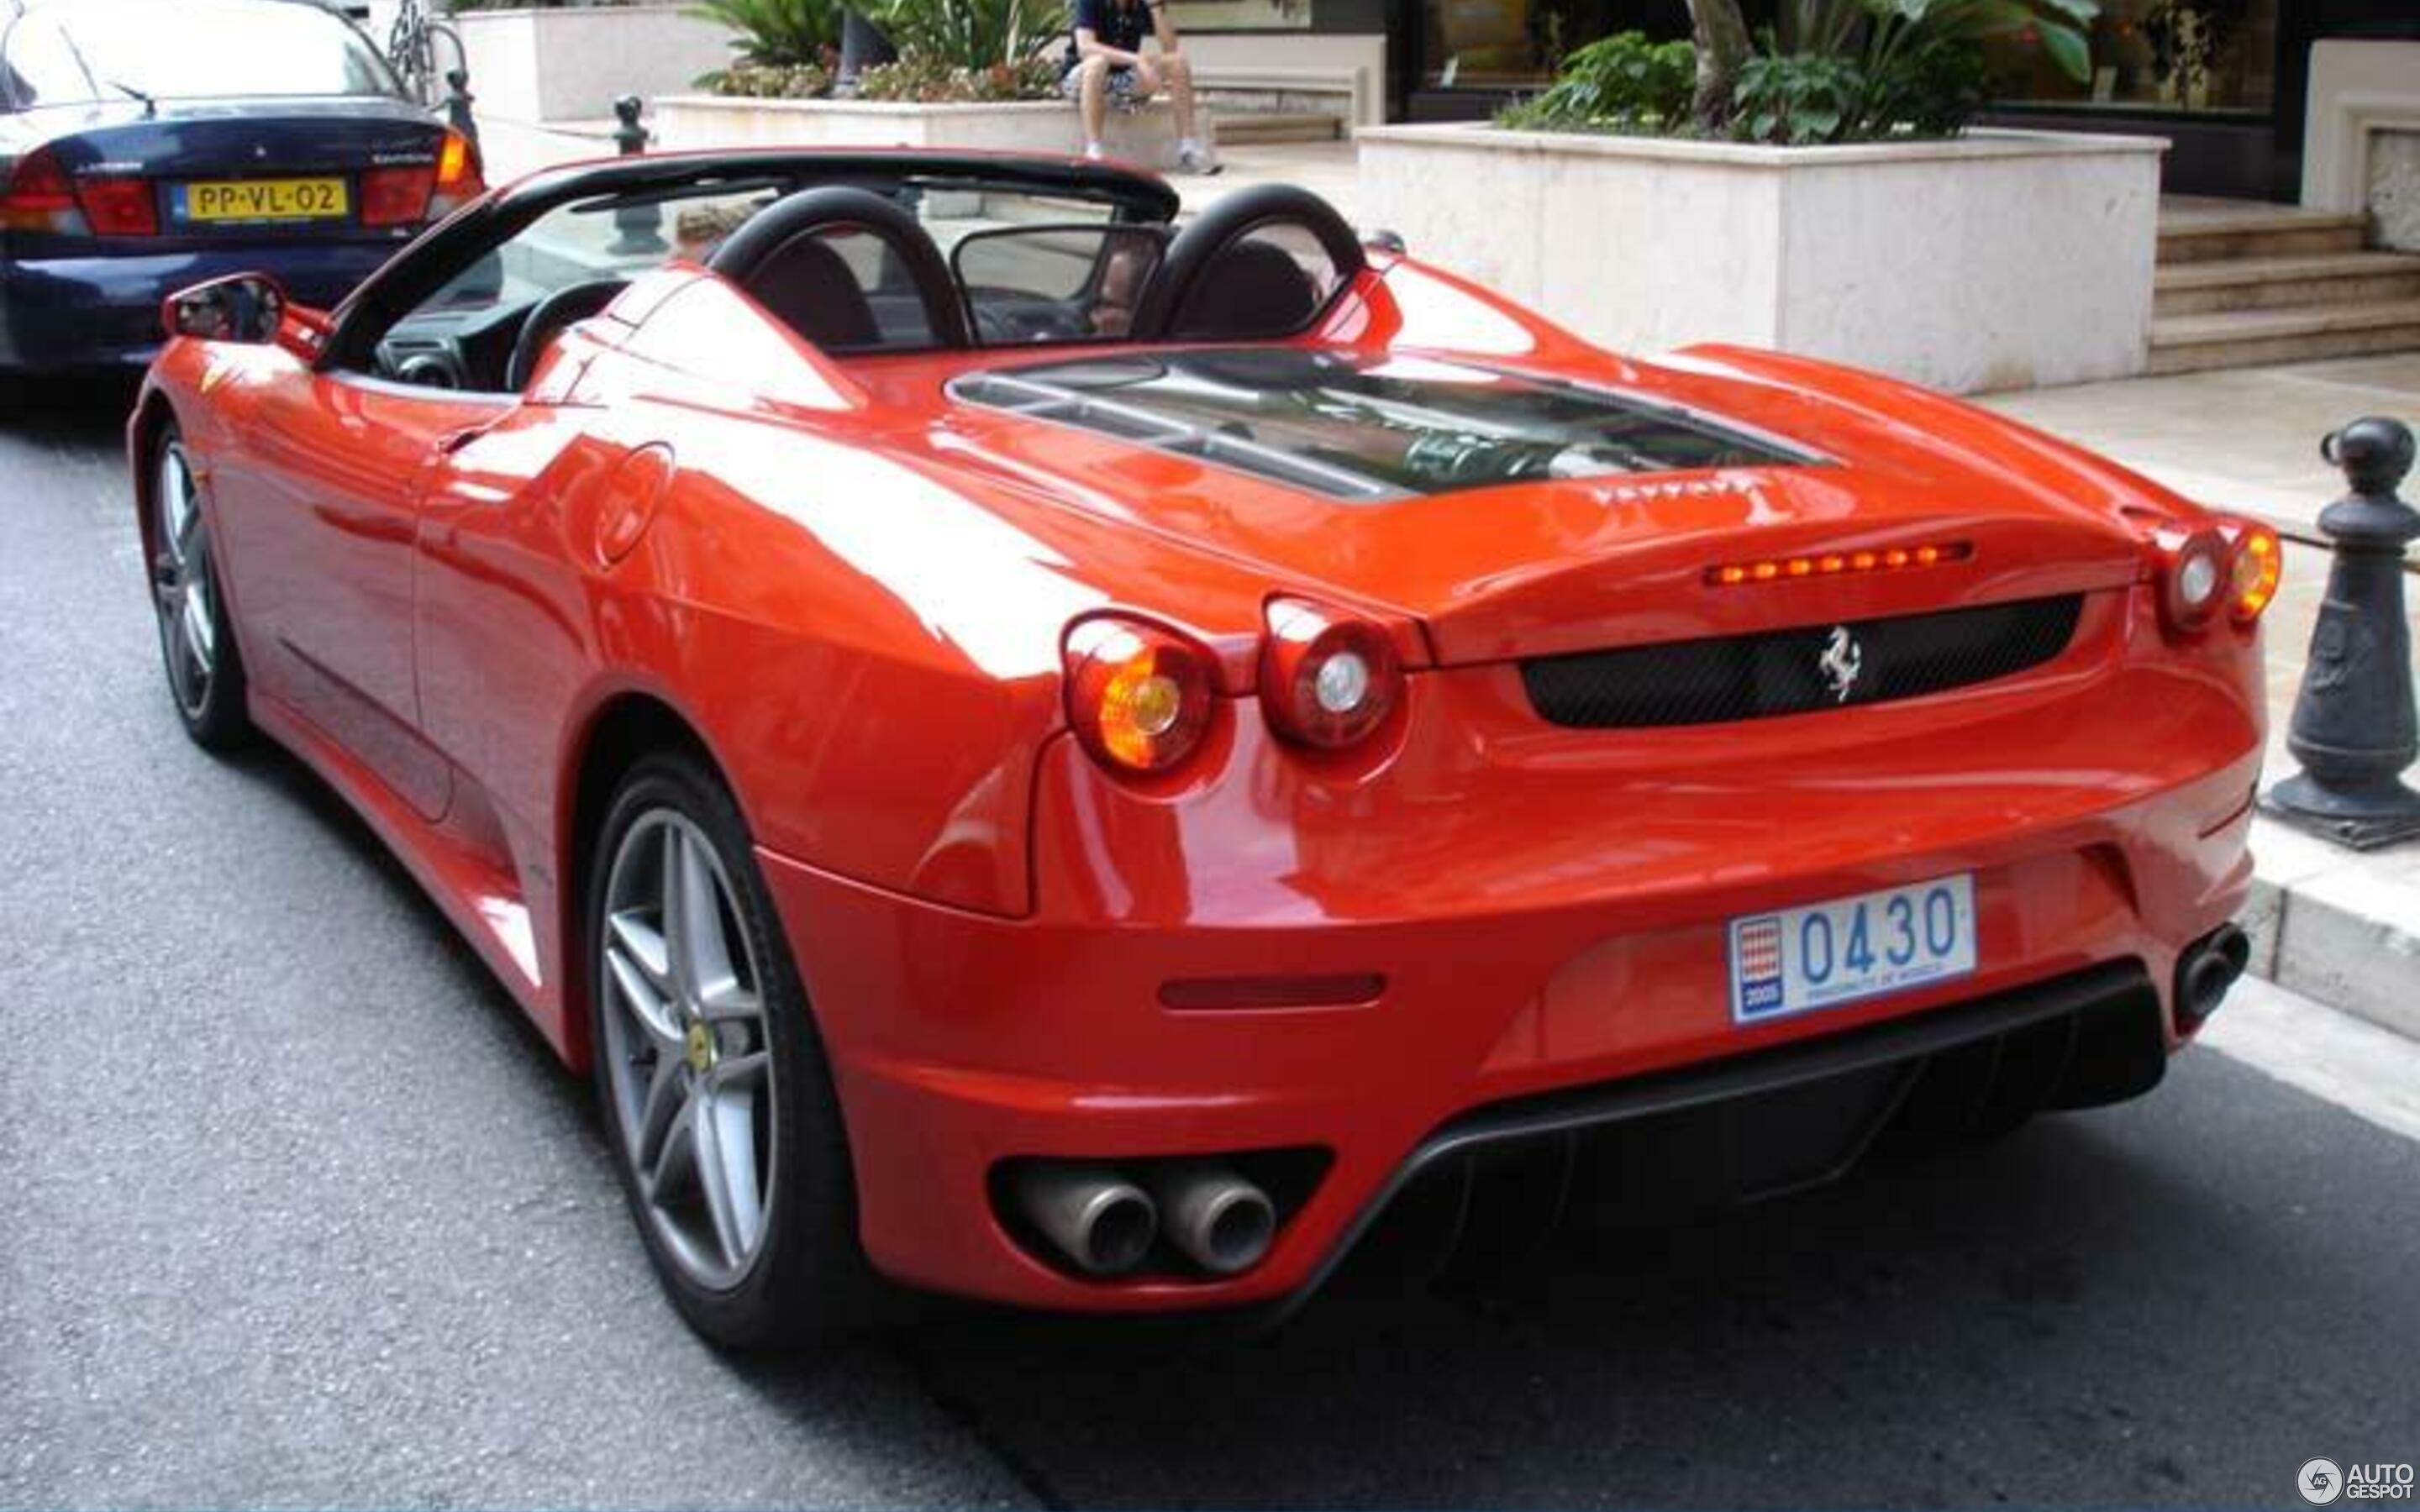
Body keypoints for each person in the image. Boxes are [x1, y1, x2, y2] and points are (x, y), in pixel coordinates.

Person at [1063, 0, 1221, 176]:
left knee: (1178, 63)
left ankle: (1188, 150)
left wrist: (1155, 6)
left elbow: (1171, 47)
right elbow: (1086, 48)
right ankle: (1094, 153)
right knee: (1098, 62)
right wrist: (1137, 60)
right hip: (1081, 79)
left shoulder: (1139, 5)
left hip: (1120, 81)